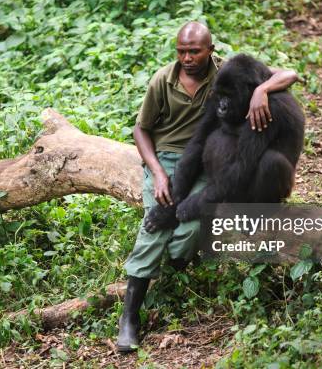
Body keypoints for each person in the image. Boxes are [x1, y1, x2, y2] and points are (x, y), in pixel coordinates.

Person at [116, 21, 298, 352]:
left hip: (260, 184)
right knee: (157, 227)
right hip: (183, 165)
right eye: (181, 51)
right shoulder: (211, 84)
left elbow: (241, 173)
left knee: (191, 223)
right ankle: (129, 316)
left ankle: (249, 219)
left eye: (194, 51)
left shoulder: (263, 105)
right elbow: (197, 144)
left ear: (209, 52)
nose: (223, 105)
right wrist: (169, 193)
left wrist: (181, 210)